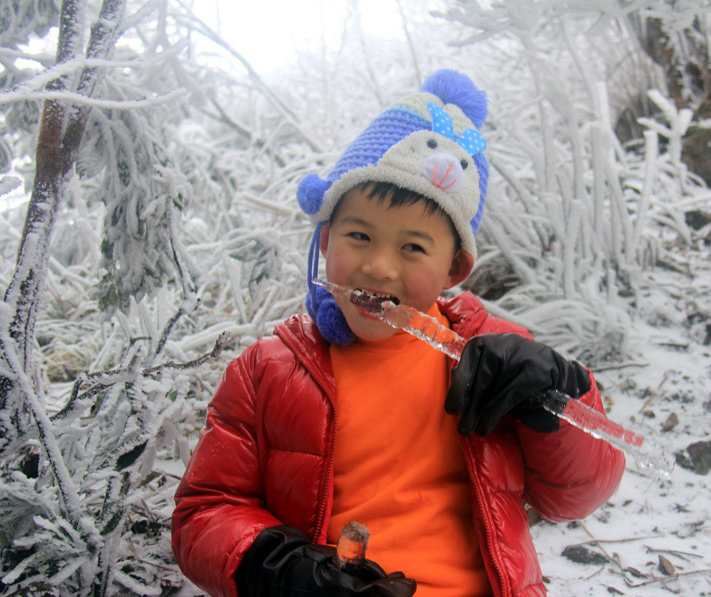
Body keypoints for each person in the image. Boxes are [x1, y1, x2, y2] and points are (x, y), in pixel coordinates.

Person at [172, 70, 625, 597]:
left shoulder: (493, 358)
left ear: (453, 269)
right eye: (359, 236)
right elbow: (205, 512)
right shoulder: (268, 370)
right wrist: (275, 568)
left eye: (413, 248)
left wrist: (558, 399)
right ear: (324, 242)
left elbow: (577, 496)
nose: (380, 267)